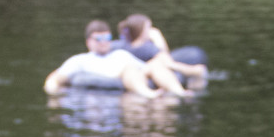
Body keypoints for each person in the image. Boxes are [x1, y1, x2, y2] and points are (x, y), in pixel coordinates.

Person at [43, 21, 192, 99]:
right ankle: (149, 94)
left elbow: (146, 67)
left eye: (107, 38)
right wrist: (55, 95)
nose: (104, 42)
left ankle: (179, 92)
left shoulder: (120, 54)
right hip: (115, 81)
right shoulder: (80, 61)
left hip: (135, 77)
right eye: (99, 39)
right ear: (89, 41)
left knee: (153, 64)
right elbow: (54, 78)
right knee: (128, 70)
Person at [116, 13, 207, 87]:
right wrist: (159, 38)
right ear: (142, 31)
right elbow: (168, 62)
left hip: (142, 69)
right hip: (155, 70)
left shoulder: (125, 45)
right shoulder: (148, 48)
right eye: (149, 27)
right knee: (198, 74)